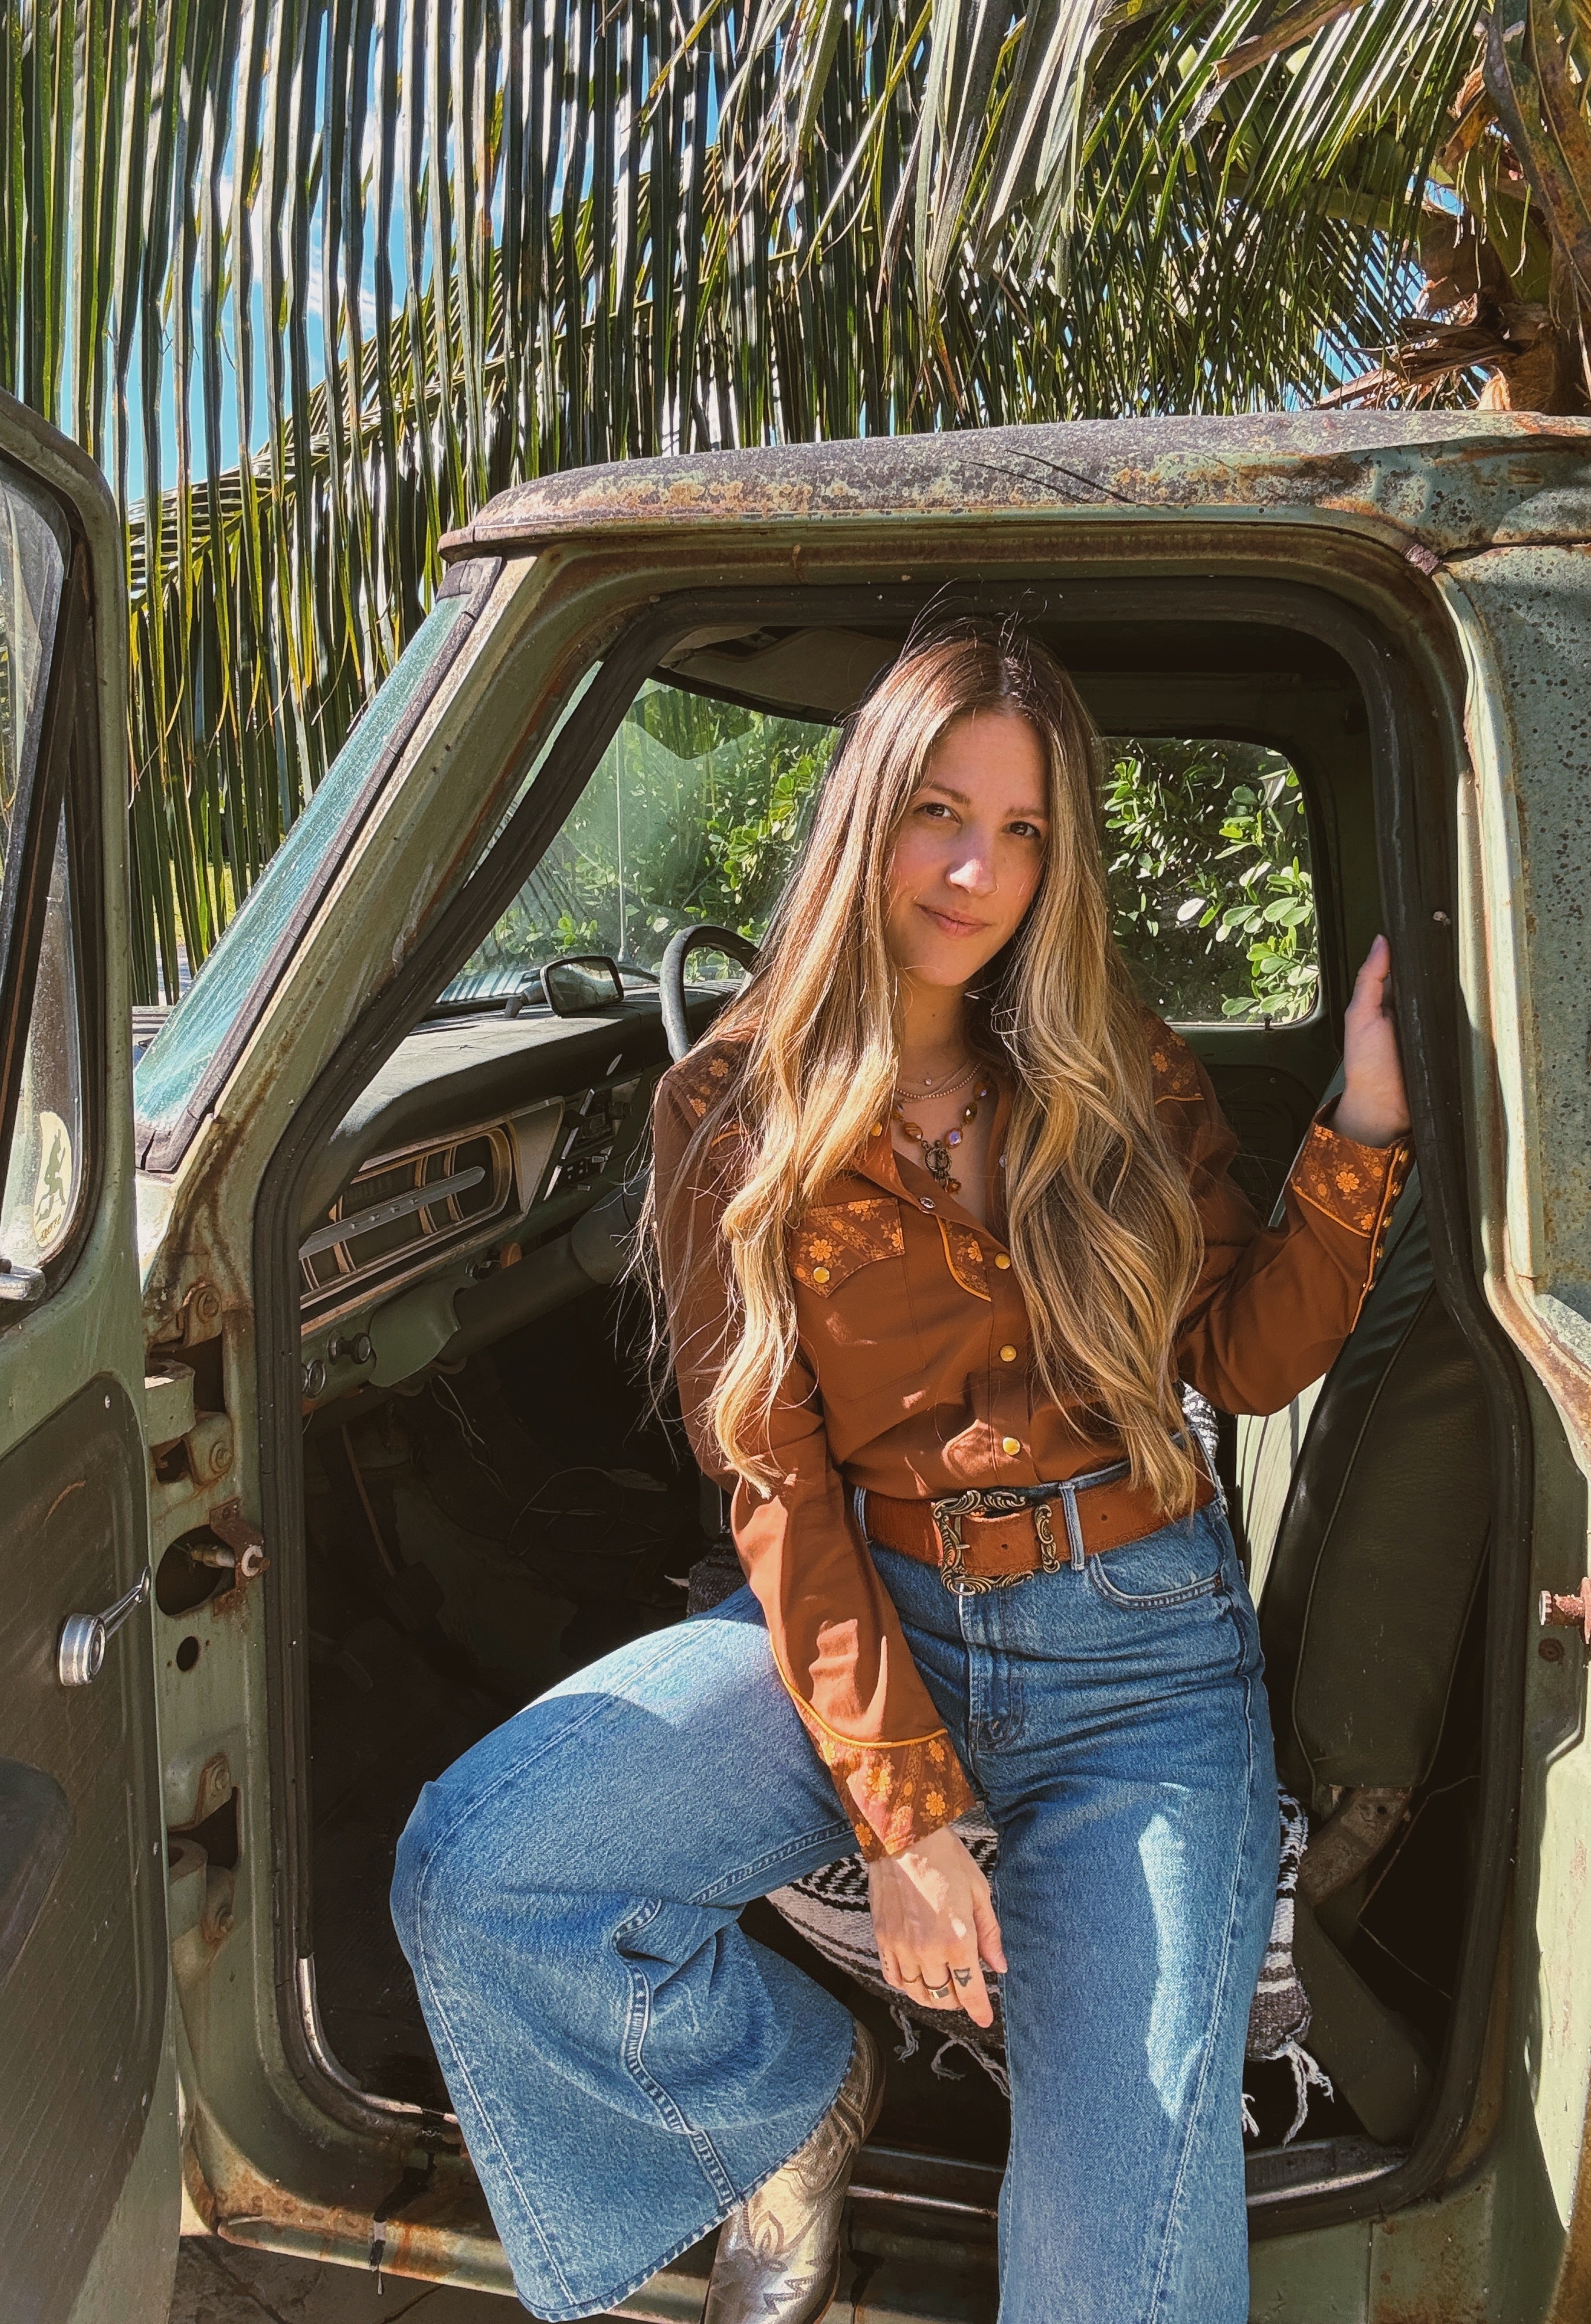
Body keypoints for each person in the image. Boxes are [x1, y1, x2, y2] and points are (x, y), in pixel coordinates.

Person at [392, 620, 1414, 2324]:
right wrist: (912, 1814)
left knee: (1123, 2291)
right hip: (871, 1610)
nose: (977, 871)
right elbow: (777, 1482)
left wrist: (1362, 1135)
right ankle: (781, 2112)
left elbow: (1240, 1360)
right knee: (485, 1873)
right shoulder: (726, 1108)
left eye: (1024, 832)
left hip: (1140, 1669)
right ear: (869, 807)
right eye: (944, 810)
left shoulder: (1117, 1059)